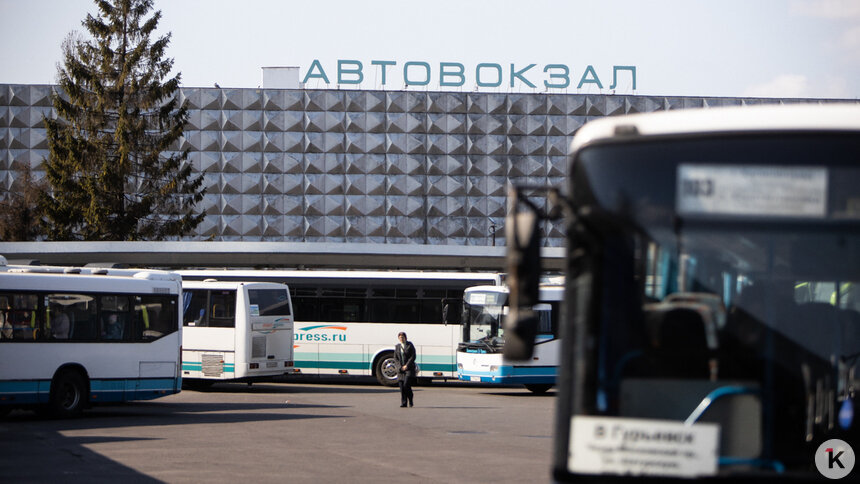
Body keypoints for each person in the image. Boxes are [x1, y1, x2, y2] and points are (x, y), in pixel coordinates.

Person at [394, 331, 416, 407]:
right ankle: (404, 403)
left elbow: (413, 356)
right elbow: (395, 358)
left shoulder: (410, 345)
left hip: (408, 369)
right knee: (401, 387)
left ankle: (410, 398)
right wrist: (400, 367)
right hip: (400, 370)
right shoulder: (397, 347)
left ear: (405, 338)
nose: (401, 339)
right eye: (400, 337)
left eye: (402, 337)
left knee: (406, 385)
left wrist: (406, 365)